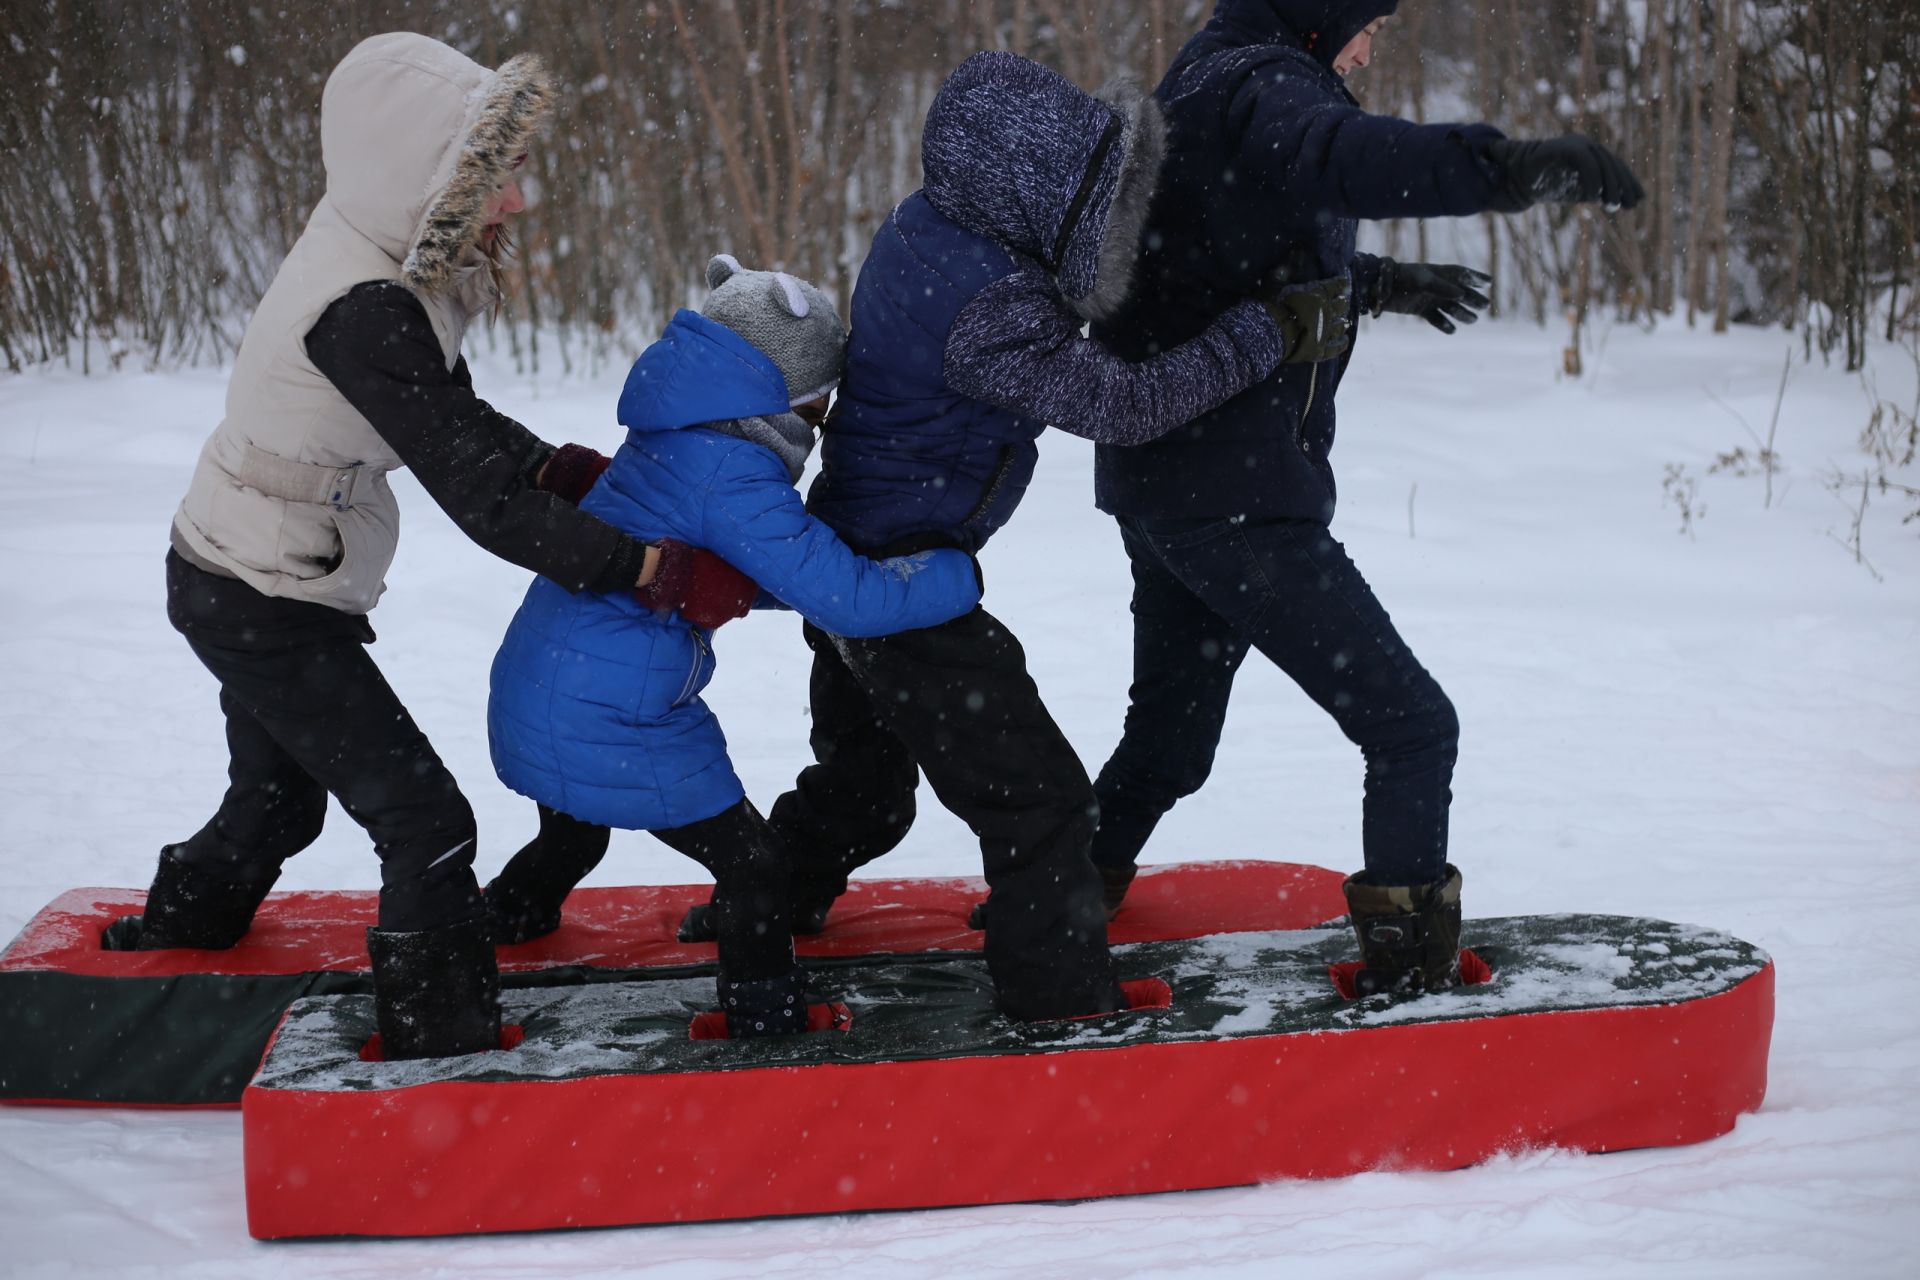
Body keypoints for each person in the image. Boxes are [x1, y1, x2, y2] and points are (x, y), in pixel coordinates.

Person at [105, 33, 734, 1060]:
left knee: (277, 798)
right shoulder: (365, 310)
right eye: (496, 177)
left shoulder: (385, 253)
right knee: (427, 820)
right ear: (423, 177)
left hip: (252, 565)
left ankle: (172, 935)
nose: (518, 201)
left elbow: (460, 421)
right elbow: (478, 498)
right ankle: (441, 1047)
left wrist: (564, 470)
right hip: (257, 588)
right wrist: (650, 571)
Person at [738, 51, 1353, 1022]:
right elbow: (1125, 402)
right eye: (1097, 207)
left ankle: (764, 895)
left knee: (866, 790)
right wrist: (1264, 333)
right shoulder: (991, 311)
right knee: (1043, 801)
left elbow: (1071, 296)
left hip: (853, 563)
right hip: (903, 588)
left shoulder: (930, 228)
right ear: (1038, 195)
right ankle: (1060, 999)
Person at [1086, 0, 1645, 994]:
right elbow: (1342, 156)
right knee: (1412, 726)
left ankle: (1067, 889)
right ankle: (1408, 973)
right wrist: (1505, 171)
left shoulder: (1205, 74)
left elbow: (1224, 249)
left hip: (1164, 488)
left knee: (1170, 741)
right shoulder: (1272, 85)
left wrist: (1378, 282)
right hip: (1237, 499)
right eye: (1367, 29)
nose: (1367, 52)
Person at [484, 257, 983, 1036]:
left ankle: (506, 920)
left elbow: (747, 567)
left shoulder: (672, 435)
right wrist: (951, 574)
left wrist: (817, 574)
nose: (824, 418)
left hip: (537, 683)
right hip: (615, 716)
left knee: (572, 827)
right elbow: (843, 597)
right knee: (753, 866)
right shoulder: (736, 475)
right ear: (783, 394)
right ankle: (765, 1013)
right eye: (822, 401)